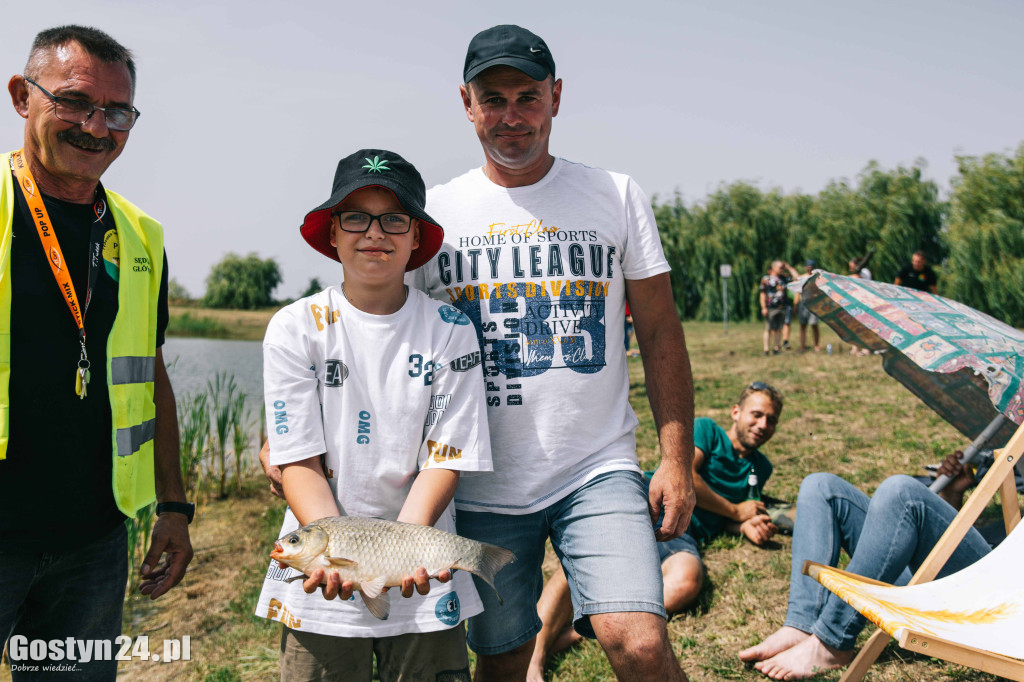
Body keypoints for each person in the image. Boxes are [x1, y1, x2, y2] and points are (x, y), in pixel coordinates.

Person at [414, 24, 696, 681]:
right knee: (505, 657)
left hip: (596, 467)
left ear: (556, 97)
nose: (511, 117)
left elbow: (659, 329)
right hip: (479, 478)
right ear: (466, 103)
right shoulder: (432, 214)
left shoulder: (615, 195)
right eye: (493, 100)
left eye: (527, 97)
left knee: (640, 643)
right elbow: (371, 320)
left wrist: (676, 457)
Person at [0, 25, 192, 678]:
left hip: (94, 542)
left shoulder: (141, 235)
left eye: (117, 112)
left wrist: (174, 506)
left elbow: (152, 370)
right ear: (22, 97)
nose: (96, 126)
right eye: (75, 102)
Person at [256, 149, 492, 681]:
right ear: (333, 234)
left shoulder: (451, 328)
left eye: (394, 220)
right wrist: (327, 543)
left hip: (422, 556)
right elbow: (296, 459)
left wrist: (404, 550)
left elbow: (445, 457)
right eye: (356, 217)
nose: (374, 234)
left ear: (415, 239)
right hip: (320, 566)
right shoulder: (295, 327)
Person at [528, 382, 784, 681]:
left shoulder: (760, 467)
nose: (763, 425)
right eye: (756, 414)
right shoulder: (708, 432)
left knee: (688, 580)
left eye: (772, 419)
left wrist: (744, 525)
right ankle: (533, 659)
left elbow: (728, 513)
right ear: (736, 412)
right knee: (584, 564)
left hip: (682, 534)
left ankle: (582, 631)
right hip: (648, 505)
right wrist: (737, 511)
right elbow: (686, 477)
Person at [739, 453, 995, 679]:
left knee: (901, 492)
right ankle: (800, 625)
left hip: (994, 597)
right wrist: (951, 495)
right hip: (951, 575)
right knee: (820, 486)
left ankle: (832, 641)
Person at [760, 261, 792, 355]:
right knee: (768, 328)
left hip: (782, 307)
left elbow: (796, 278)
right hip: (771, 307)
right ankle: (766, 349)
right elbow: (762, 293)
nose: (782, 269)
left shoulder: (784, 278)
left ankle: (776, 348)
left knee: (779, 329)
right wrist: (763, 307)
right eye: (780, 267)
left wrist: (788, 267)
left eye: (783, 267)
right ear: (773, 267)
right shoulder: (766, 279)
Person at [792, 260, 820, 353]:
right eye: (808, 266)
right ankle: (802, 346)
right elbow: (798, 292)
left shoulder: (817, 278)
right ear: (805, 267)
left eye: (811, 266)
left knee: (814, 325)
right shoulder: (802, 278)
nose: (809, 268)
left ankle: (816, 346)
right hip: (803, 304)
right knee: (803, 326)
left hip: (813, 303)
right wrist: (795, 305)